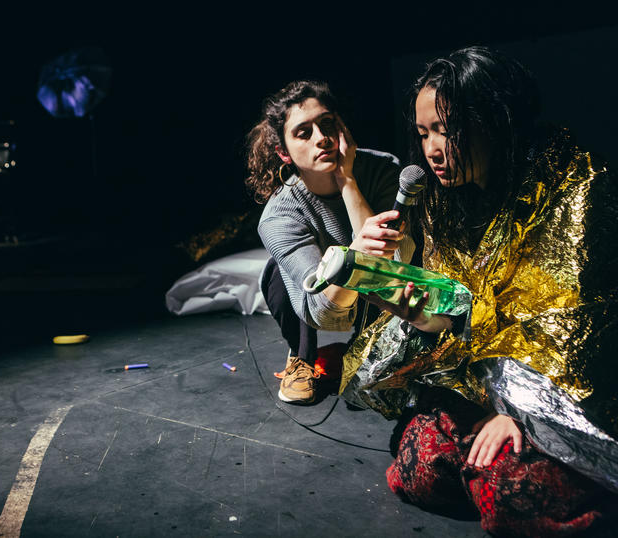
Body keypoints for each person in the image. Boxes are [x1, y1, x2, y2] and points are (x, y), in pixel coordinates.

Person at [340, 46, 618, 536]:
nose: (432, 149)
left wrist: (519, 418)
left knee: (512, 492)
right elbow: (460, 316)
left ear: (497, 119)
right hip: (483, 384)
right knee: (419, 466)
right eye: (424, 133)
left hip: (564, 394)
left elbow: (571, 330)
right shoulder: (448, 204)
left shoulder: (576, 189)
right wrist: (400, 287)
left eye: (447, 130)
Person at [246, 80, 414, 405]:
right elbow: (322, 314)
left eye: (327, 124)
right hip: (326, 299)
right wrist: (355, 254)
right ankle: (301, 356)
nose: (321, 138)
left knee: (379, 389)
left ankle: (360, 345)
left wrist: (347, 181)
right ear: (283, 152)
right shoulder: (279, 215)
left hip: (383, 292)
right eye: (303, 133)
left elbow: (394, 269)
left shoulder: (383, 170)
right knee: (279, 275)